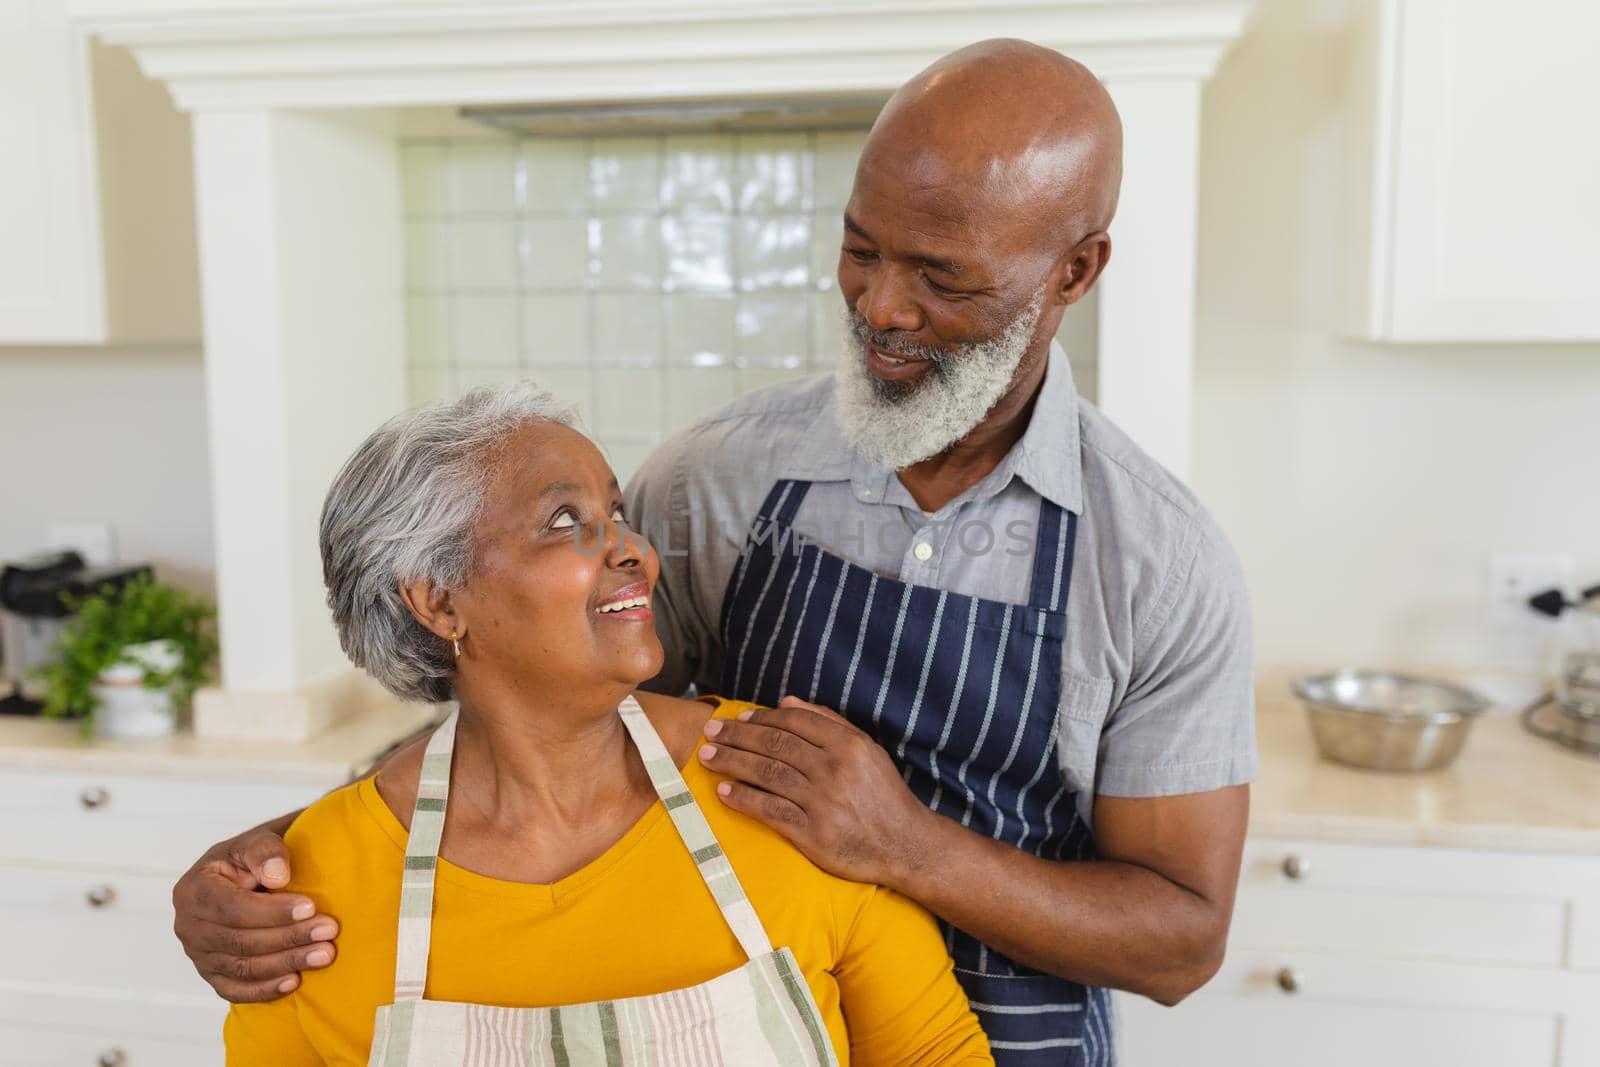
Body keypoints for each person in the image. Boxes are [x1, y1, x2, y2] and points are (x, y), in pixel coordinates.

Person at [175, 38, 1255, 1067]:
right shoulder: (716, 479)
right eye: (861, 248)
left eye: (944, 277)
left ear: (1073, 271)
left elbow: (1180, 938)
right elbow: (541, 711)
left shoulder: (1155, 560)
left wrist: (904, 845)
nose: (881, 305)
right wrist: (286, 857)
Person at [221, 383, 992, 1064]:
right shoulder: (308, 892)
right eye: (565, 520)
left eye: (615, 512)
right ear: (438, 602)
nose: (635, 552)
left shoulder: (786, 782)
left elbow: (934, 1055)